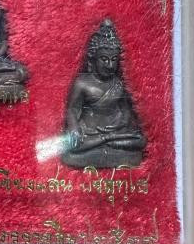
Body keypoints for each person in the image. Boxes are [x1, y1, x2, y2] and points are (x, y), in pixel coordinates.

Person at [62, 19, 146, 168]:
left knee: (140, 141)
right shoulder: (82, 82)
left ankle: (108, 142)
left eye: (114, 59)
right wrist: (74, 128)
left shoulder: (118, 83)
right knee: (70, 148)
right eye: (104, 59)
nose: (110, 65)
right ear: (93, 59)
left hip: (115, 131)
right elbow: (72, 110)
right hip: (90, 133)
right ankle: (106, 142)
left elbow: (126, 110)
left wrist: (122, 123)